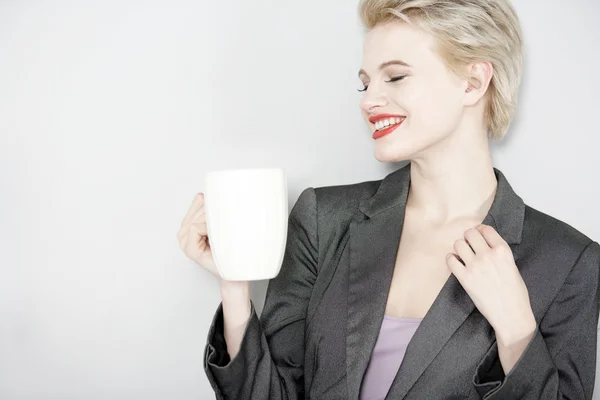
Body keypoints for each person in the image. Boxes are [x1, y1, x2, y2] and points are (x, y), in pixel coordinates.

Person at [177, 0, 600, 398]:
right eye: (365, 83)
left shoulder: (569, 263)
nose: (369, 101)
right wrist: (234, 286)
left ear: (473, 82)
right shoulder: (322, 221)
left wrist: (517, 332)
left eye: (395, 76)